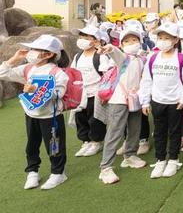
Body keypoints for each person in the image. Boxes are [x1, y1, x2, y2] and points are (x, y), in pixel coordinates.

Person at [0, 35, 70, 190]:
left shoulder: (57, 73)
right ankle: (32, 171)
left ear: (49, 54)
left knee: (54, 146)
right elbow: (2, 73)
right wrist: (14, 58)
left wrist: (36, 89)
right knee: (31, 145)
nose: (31, 52)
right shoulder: (28, 69)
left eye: (35, 49)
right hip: (31, 114)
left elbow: (58, 94)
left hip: (51, 117)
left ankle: (58, 173)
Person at [139, 23, 183, 179]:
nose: (163, 41)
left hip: (175, 103)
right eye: (160, 38)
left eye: (167, 38)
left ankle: (173, 159)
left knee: (174, 132)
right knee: (159, 132)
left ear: (175, 39)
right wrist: (145, 101)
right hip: (157, 101)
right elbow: (146, 80)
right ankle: (160, 160)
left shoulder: (181, 58)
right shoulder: (152, 58)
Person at [96, 28, 147, 184]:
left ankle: (130, 155)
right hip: (119, 99)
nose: (131, 43)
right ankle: (106, 167)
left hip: (135, 98)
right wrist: (110, 48)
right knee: (115, 131)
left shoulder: (141, 58)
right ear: (122, 44)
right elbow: (115, 52)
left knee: (134, 128)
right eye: (127, 41)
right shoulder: (123, 57)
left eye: (134, 40)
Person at [71, 25, 110, 157]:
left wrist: (105, 93)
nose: (83, 39)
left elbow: (106, 75)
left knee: (95, 118)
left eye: (87, 37)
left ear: (96, 40)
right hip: (80, 93)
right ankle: (85, 141)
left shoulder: (100, 56)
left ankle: (96, 141)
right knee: (80, 117)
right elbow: (73, 73)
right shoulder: (77, 56)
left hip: (95, 92)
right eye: (82, 36)